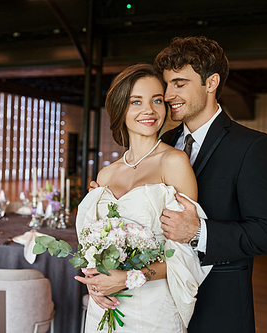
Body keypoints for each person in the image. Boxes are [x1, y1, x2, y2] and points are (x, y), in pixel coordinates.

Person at [154, 36, 267, 333]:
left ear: (211, 82)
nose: (167, 94)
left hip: (219, 304)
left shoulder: (252, 146)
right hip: (161, 301)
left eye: (179, 83)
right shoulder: (164, 143)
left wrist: (199, 231)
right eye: (166, 84)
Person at [74, 63, 212, 332]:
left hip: (153, 308)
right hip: (105, 305)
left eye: (156, 100)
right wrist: (95, 282)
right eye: (136, 101)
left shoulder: (174, 162)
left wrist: (128, 277)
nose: (149, 110)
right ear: (120, 109)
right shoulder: (105, 175)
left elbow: (187, 252)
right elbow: (91, 245)